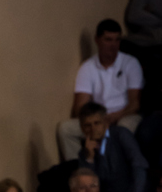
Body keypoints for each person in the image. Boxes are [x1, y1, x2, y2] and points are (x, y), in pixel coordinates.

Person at [58, 19, 144, 161]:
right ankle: (80, 169)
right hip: (98, 117)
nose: (113, 45)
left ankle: (114, 169)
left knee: (123, 128)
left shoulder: (130, 63)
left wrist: (115, 116)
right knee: (65, 128)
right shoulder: (87, 67)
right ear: (97, 40)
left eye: (117, 40)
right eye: (108, 40)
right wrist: (96, 120)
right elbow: (80, 107)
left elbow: (135, 104)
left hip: (125, 115)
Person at [76, 101, 148, 192]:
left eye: (97, 123)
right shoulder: (84, 152)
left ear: (105, 122)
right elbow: (88, 186)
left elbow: (139, 166)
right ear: (82, 128)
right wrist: (90, 158)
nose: (93, 129)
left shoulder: (121, 135)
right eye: (88, 125)